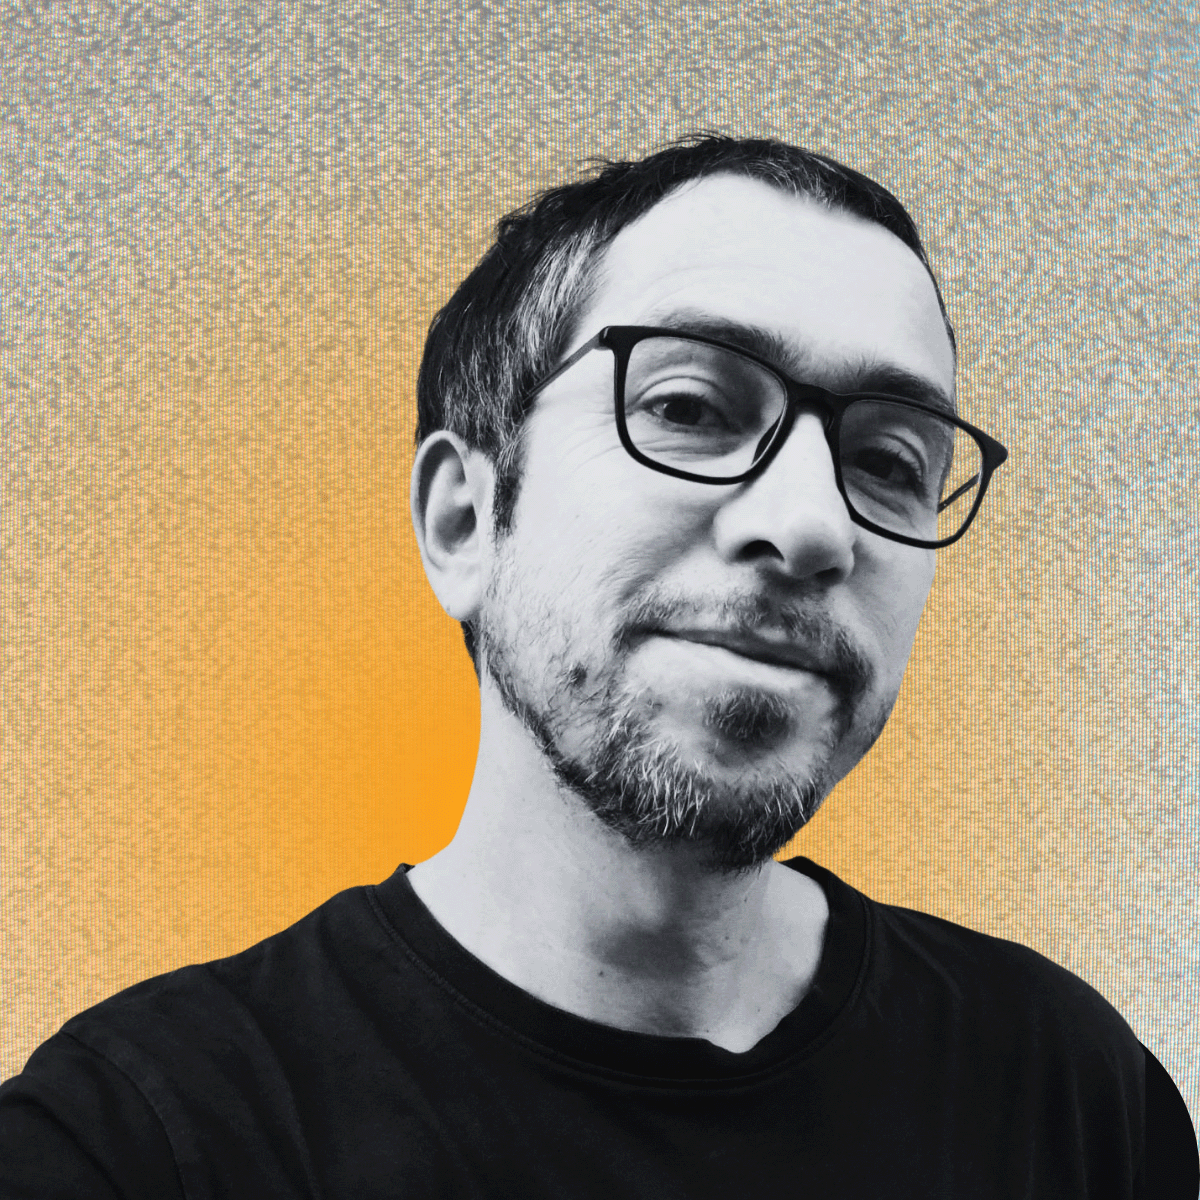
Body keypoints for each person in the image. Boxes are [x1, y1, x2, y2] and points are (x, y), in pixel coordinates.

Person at [1, 135, 1195, 1198]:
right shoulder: (131, 1144)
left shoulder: (1075, 1093)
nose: (815, 524)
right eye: (690, 405)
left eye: (890, 462)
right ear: (464, 523)